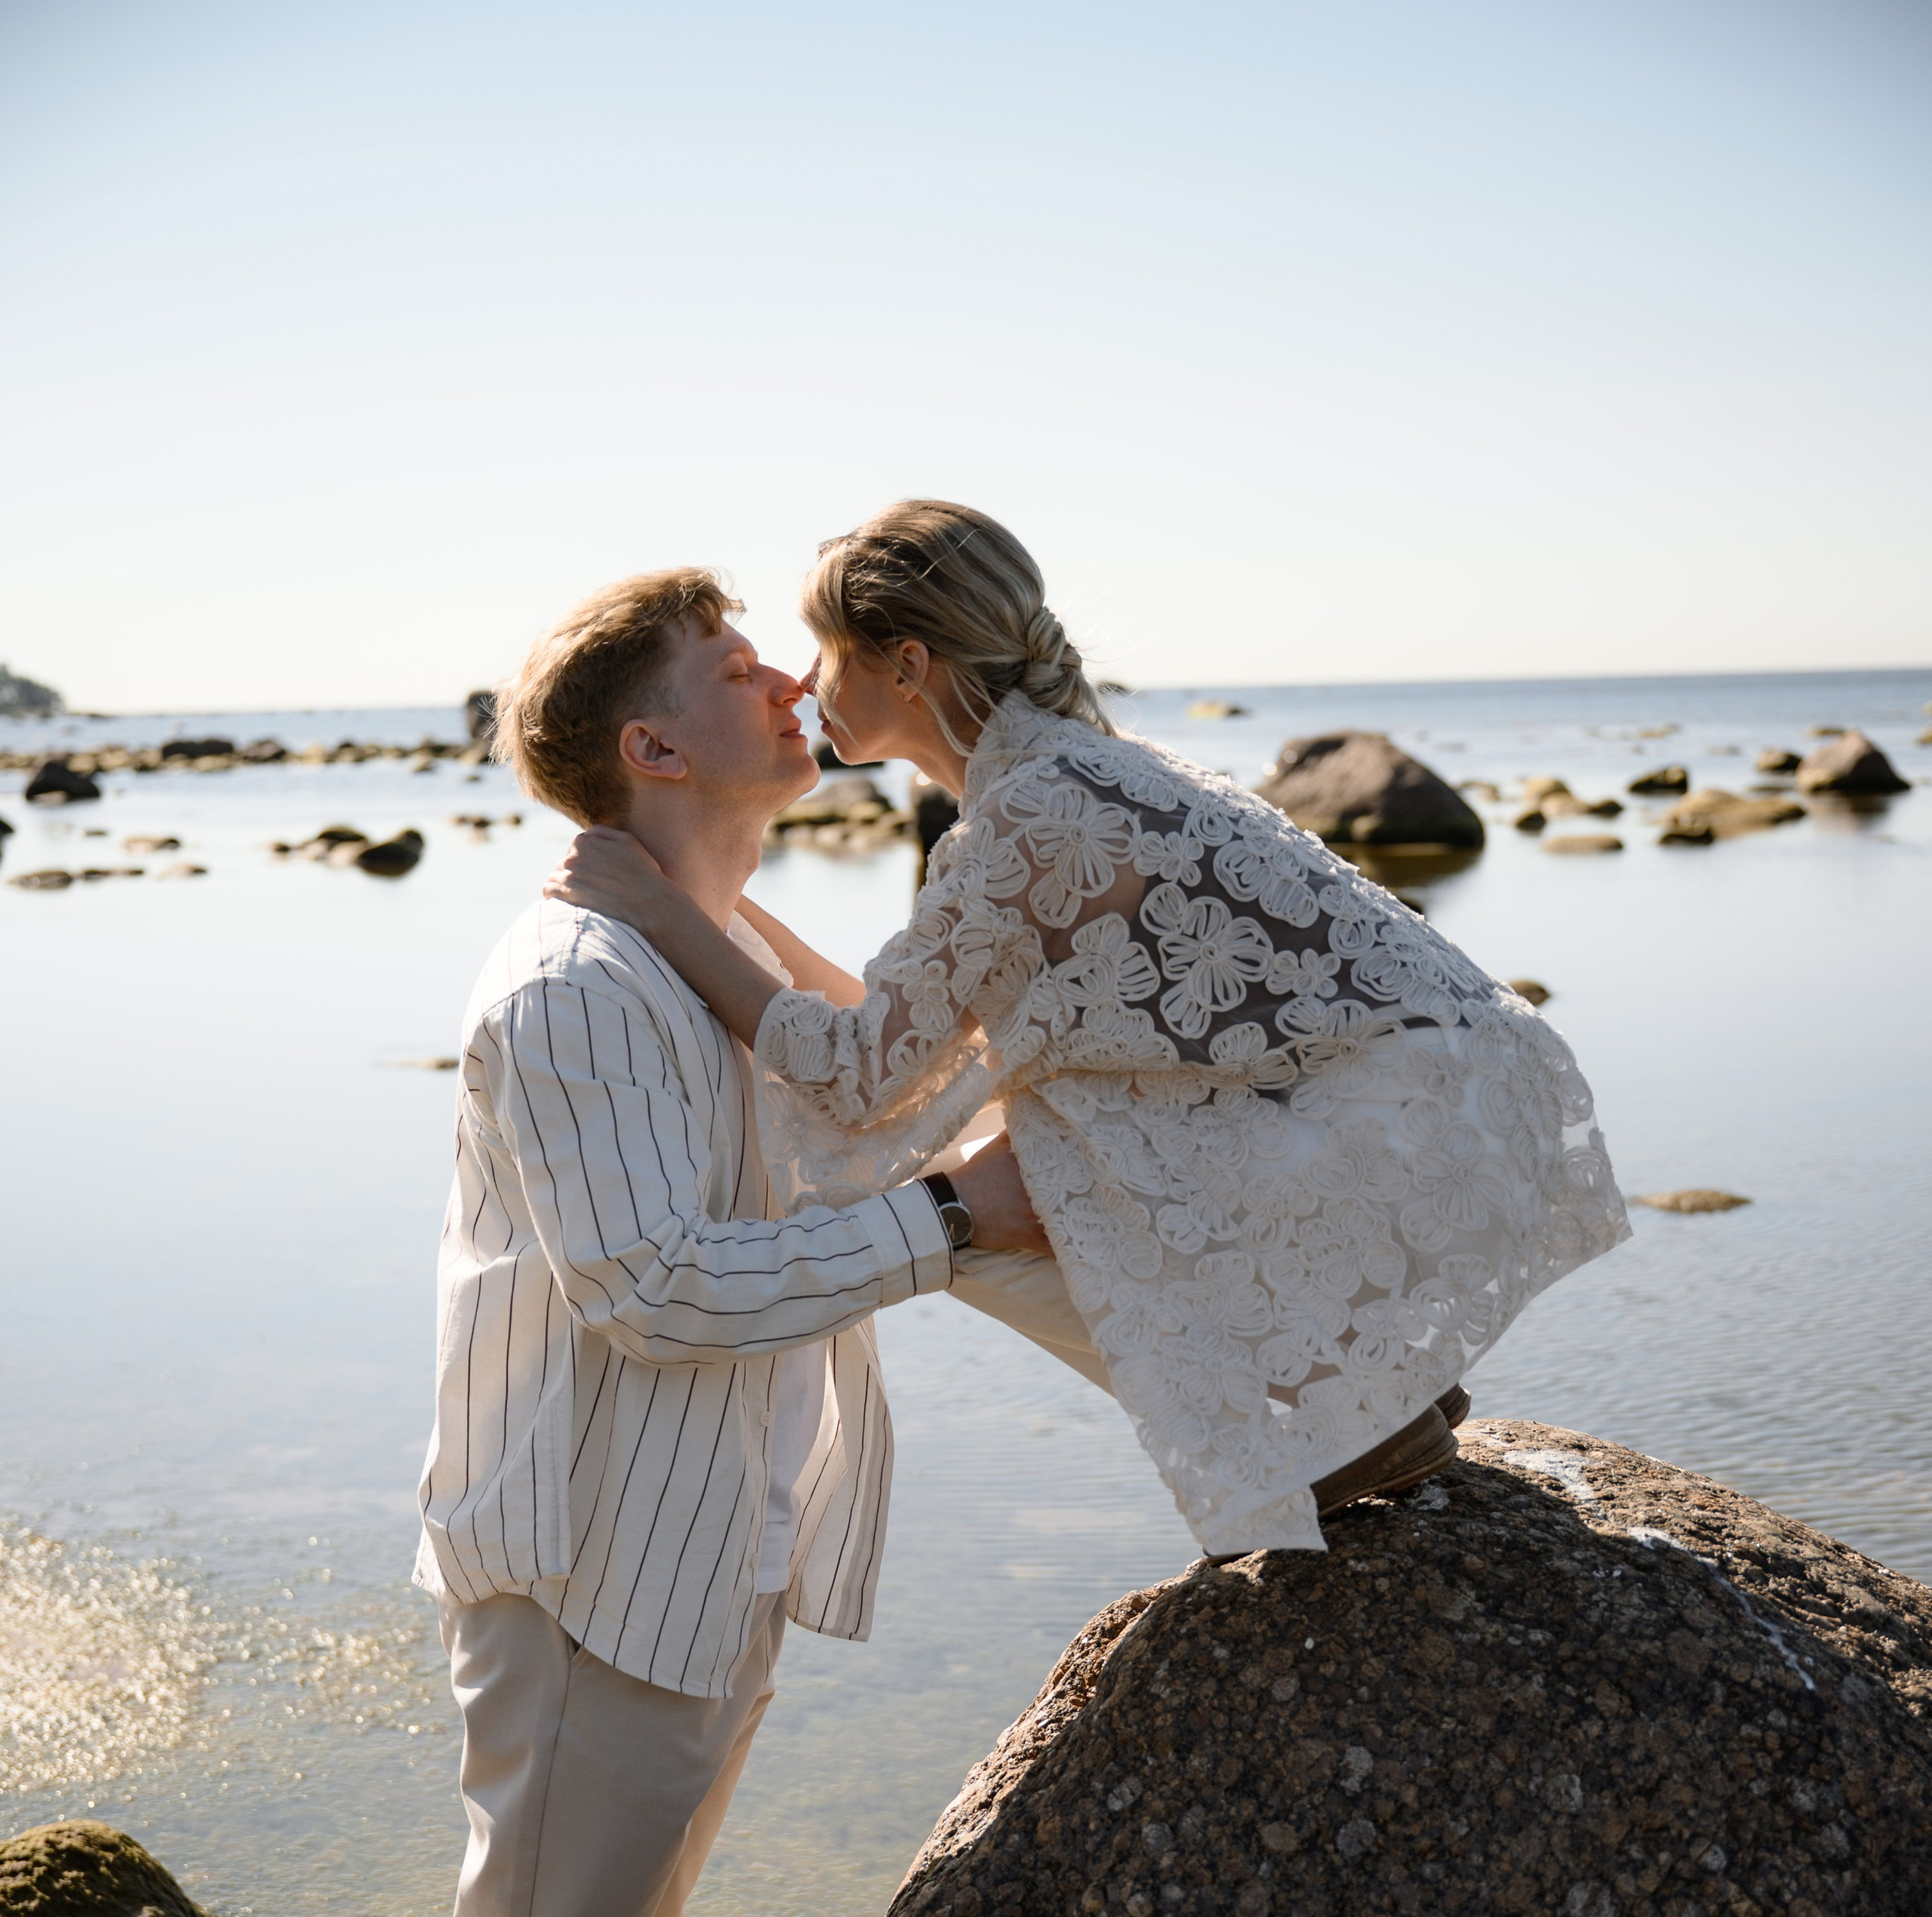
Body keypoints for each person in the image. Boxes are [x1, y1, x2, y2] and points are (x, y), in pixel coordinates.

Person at [414, 568, 1043, 1917]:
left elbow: (853, 1133)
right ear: (652, 746)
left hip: (702, 1543)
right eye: (742, 668)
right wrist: (961, 1223)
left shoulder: (694, 946)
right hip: (591, 1555)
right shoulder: (580, 985)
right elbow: (655, 1288)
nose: (798, 678)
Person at [549, 501, 1630, 1561]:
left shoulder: (1032, 816)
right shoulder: (1064, 771)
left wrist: (657, 916)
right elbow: (922, 1036)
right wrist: (714, 914)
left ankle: (1335, 1418)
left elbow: (857, 1077)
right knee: (1024, 1092)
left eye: (824, 652)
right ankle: (1361, 1375)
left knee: (952, 1174)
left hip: (1396, 1137)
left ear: (908, 666)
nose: (801, 683)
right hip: (1433, 1105)